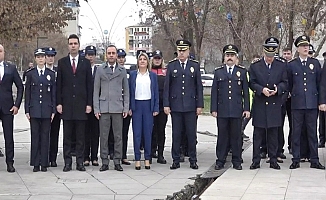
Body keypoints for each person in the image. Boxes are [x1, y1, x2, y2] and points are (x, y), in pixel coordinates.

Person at [163, 39, 204, 170]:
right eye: (179, 51)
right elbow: (167, 87)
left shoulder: (194, 66)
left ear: (188, 51)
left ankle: (193, 159)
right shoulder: (172, 65)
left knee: (191, 134)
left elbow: (199, 87)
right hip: (176, 106)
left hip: (191, 106)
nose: (181, 53)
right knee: (176, 134)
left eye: (184, 51)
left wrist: (199, 105)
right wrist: (166, 104)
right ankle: (175, 160)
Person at [249, 37, 288, 170]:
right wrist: (261, 90)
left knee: (273, 134)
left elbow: (285, 82)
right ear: (264, 53)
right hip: (260, 103)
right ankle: (255, 160)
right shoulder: (255, 66)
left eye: (272, 55)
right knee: (258, 134)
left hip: (274, 103)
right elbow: (252, 82)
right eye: (268, 55)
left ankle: (273, 159)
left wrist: (278, 89)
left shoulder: (282, 65)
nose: (270, 58)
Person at [56, 34, 93, 172]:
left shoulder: (85, 63)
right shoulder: (62, 62)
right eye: (70, 43)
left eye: (75, 43)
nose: (73, 46)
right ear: (68, 46)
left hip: (81, 105)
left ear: (79, 45)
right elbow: (59, 84)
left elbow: (89, 85)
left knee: (80, 137)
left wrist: (89, 104)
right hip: (66, 106)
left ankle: (80, 162)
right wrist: (59, 103)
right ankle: (67, 162)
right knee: (67, 137)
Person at [288, 35, 325, 170]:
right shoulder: (292, 65)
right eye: (303, 46)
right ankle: (296, 159)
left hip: (311, 103)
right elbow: (289, 84)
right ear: (297, 48)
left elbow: (319, 84)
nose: (305, 48)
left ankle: (314, 159)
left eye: (307, 45)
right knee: (296, 132)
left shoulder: (314, 63)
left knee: (312, 132)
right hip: (297, 104)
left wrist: (321, 101)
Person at [211, 44, 250, 171]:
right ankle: (220, 160)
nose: (230, 58)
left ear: (236, 58)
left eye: (232, 55)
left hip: (236, 109)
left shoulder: (242, 72)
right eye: (227, 55)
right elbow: (214, 92)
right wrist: (213, 108)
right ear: (224, 57)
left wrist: (246, 109)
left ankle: (237, 160)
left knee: (236, 137)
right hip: (222, 110)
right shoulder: (218, 72)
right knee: (222, 136)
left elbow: (246, 92)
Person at [93, 45, 129, 172]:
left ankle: (117, 161)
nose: (112, 55)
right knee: (104, 136)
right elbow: (96, 90)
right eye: (109, 53)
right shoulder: (100, 69)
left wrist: (126, 107)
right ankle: (105, 161)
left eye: (114, 53)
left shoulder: (122, 70)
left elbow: (127, 90)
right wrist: (96, 109)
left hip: (118, 107)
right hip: (104, 108)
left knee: (118, 136)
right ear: (106, 55)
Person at [24, 48, 56, 172]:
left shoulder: (50, 74)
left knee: (45, 137)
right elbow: (28, 93)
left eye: (43, 56)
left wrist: (53, 110)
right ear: (35, 59)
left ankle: (44, 163)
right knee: (35, 137)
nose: (41, 58)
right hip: (35, 109)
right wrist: (27, 109)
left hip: (47, 110)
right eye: (39, 57)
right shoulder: (31, 74)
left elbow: (53, 93)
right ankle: (35, 163)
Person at [129, 52, 159, 170]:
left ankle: (147, 158)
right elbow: (130, 92)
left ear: (148, 62)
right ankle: (137, 159)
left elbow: (155, 92)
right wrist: (130, 107)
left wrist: (156, 107)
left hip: (148, 105)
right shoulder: (133, 75)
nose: (142, 61)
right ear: (137, 62)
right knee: (137, 134)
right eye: (140, 59)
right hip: (136, 105)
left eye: (144, 59)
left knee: (147, 133)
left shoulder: (152, 76)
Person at [0, 44, 24, 172]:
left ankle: (10, 162)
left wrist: (17, 105)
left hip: (7, 107)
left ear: (4, 53)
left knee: (8, 136)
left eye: (0, 51)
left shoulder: (11, 68)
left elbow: (20, 86)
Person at [83, 45, 100, 167]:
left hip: (97, 106)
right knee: (84, 132)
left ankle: (94, 156)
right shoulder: (82, 68)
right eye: (88, 55)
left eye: (92, 55)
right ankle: (85, 157)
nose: (90, 57)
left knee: (95, 132)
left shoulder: (99, 70)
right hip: (84, 105)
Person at [151, 50, 168, 164]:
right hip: (150, 105)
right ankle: (152, 151)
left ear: (162, 59)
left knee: (161, 130)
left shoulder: (165, 72)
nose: (157, 60)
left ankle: (160, 154)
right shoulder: (148, 71)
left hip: (162, 106)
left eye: (159, 58)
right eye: (155, 58)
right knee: (151, 130)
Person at [44, 47, 60, 167]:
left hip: (56, 107)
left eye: (52, 56)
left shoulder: (58, 71)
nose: (50, 58)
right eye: (48, 56)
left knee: (54, 133)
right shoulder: (41, 71)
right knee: (44, 133)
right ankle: (44, 157)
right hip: (44, 107)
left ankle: (53, 158)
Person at [117, 48, 132, 165]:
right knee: (113, 133)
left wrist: (129, 107)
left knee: (124, 132)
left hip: (125, 106)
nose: (121, 59)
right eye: (119, 57)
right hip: (114, 105)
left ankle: (123, 155)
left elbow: (130, 91)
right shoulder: (112, 71)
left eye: (122, 57)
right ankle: (113, 153)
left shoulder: (129, 72)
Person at [282, 47, 293, 154]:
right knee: (279, 124)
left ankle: (291, 145)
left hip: (292, 99)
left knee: (293, 124)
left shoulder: (294, 65)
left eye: (288, 53)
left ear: (292, 54)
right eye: (284, 53)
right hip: (281, 99)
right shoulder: (280, 65)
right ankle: (279, 148)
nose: (286, 55)